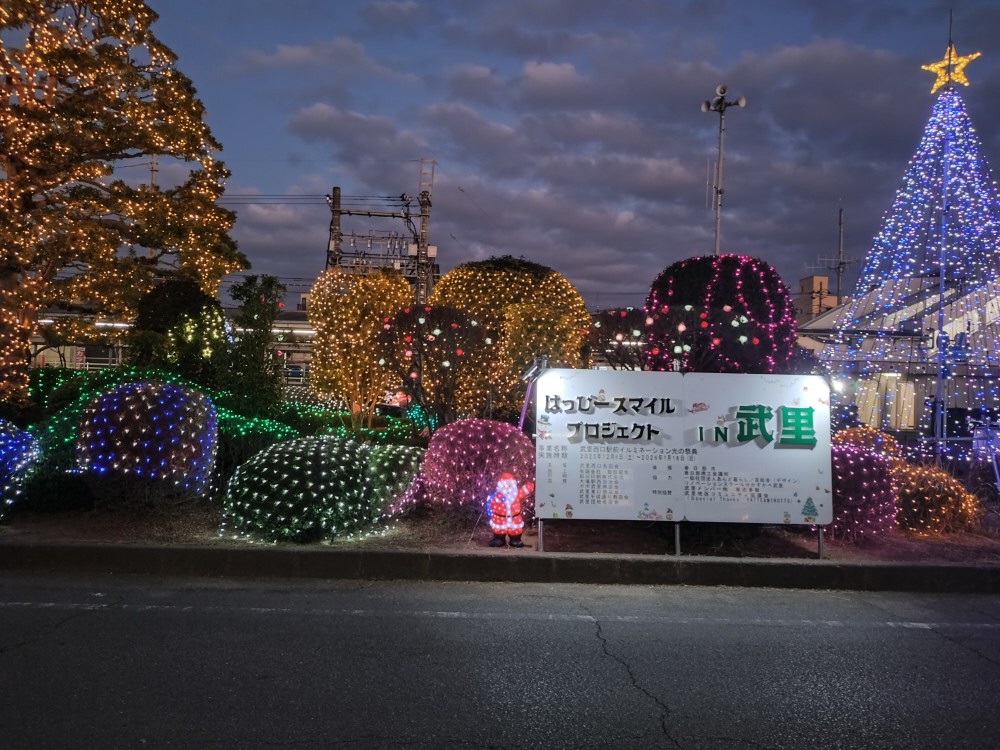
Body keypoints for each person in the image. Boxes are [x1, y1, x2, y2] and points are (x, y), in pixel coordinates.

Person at [486, 472, 533, 548]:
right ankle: (499, 539)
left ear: (513, 485)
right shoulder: (496, 496)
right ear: (500, 486)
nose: (507, 488)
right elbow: (491, 505)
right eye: (504, 486)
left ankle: (515, 540)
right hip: (500, 520)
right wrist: (496, 501)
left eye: (509, 485)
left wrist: (528, 486)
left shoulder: (517, 493)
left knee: (515, 531)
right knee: (499, 530)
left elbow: (524, 491)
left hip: (514, 519)